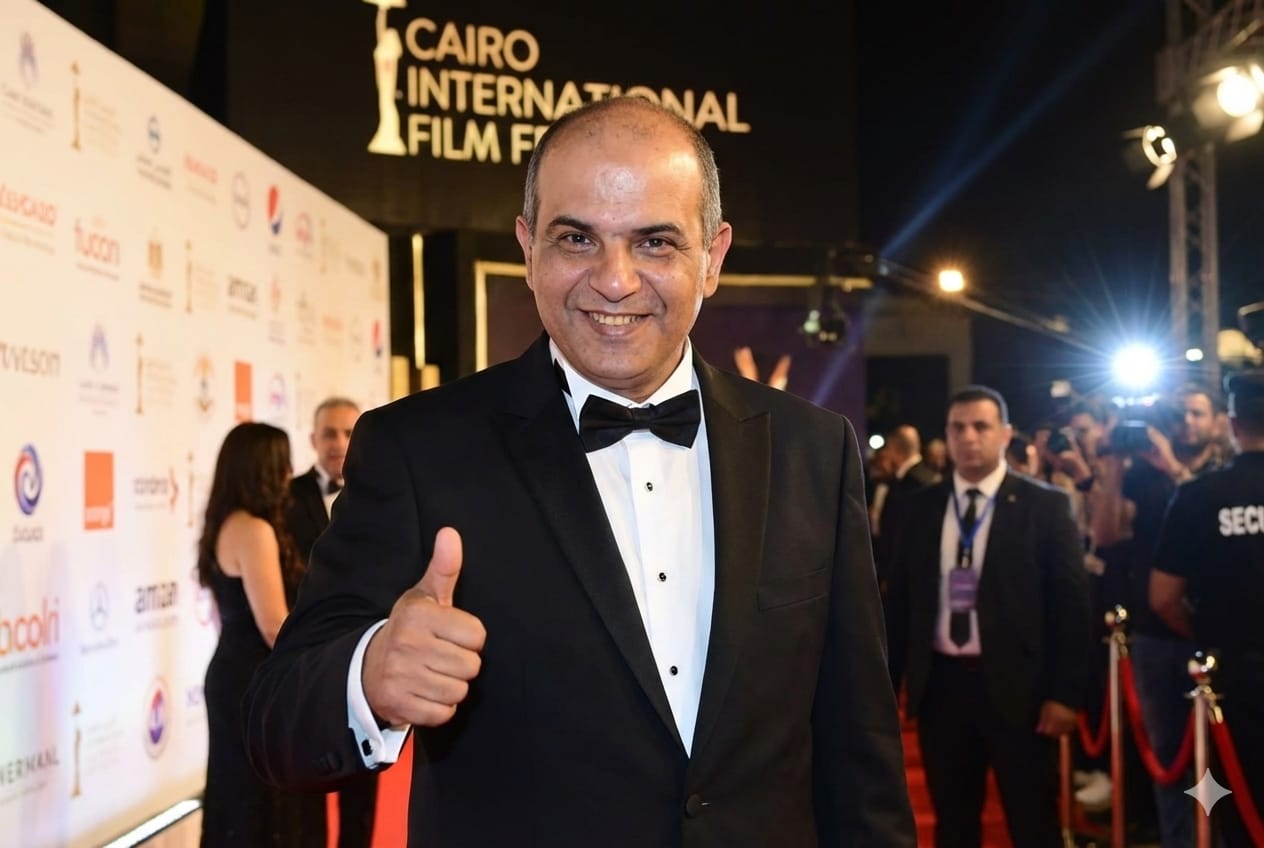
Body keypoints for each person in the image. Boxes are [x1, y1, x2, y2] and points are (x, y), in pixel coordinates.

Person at [243, 96, 916, 846]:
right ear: (528, 249)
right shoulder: (417, 449)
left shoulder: (812, 449)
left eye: (654, 241)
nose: (615, 280)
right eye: (576, 239)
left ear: (712, 257)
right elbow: (277, 719)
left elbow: (860, 752)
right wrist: (367, 677)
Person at [885, 385, 1092, 848]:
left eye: (980, 427)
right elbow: (900, 604)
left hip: (1023, 690)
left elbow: (1071, 607)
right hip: (941, 688)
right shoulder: (921, 506)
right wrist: (888, 688)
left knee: (1033, 821)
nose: (968, 438)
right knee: (953, 822)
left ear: (1005, 434)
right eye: (958, 428)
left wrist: (1064, 695)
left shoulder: (1045, 506)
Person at [197, 422, 325, 847]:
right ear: (261, 469)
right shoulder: (254, 530)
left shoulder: (225, 523)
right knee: (262, 800)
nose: (289, 473)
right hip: (256, 681)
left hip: (233, 673)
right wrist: (321, 667)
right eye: (281, 463)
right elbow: (274, 626)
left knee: (236, 794)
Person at [1151, 371, 1264, 848]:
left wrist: (1203, 633)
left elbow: (1162, 597)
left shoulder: (1199, 496)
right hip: (1233, 671)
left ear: (1231, 425)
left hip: (1232, 674)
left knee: (1242, 803)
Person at [286, 397, 378, 848]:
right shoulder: (286, 497)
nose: (339, 443)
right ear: (313, 439)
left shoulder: (381, 488)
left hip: (363, 657)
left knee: (363, 775)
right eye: (329, 433)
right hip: (306, 661)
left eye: (347, 433)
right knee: (305, 784)